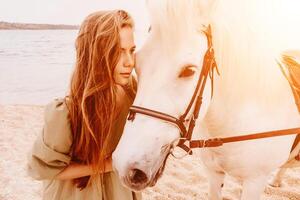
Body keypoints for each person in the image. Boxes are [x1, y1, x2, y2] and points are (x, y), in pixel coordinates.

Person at [27, 10, 140, 200]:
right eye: (117, 52)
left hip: (119, 192)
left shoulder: (134, 93)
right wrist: (109, 164)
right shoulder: (67, 112)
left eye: (132, 51)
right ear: (95, 53)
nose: (129, 62)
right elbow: (43, 169)